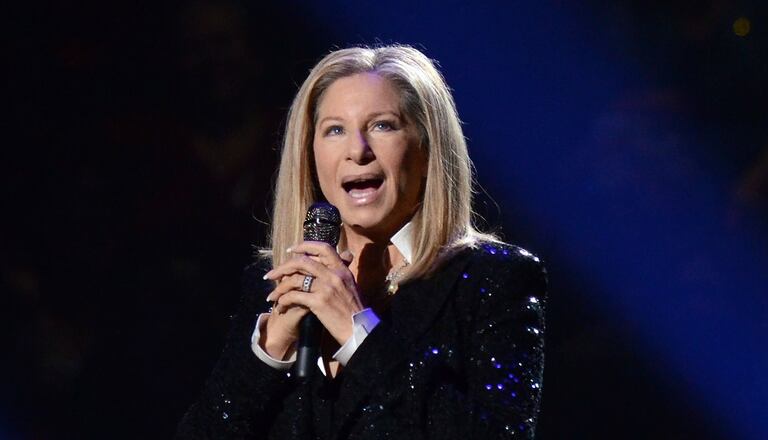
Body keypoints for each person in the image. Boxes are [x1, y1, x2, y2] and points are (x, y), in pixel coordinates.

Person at [176, 44, 547, 439]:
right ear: (311, 155)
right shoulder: (272, 285)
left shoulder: (492, 280)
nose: (358, 151)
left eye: (383, 125)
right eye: (335, 130)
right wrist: (269, 352)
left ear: (427, 149)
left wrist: (360, 334)